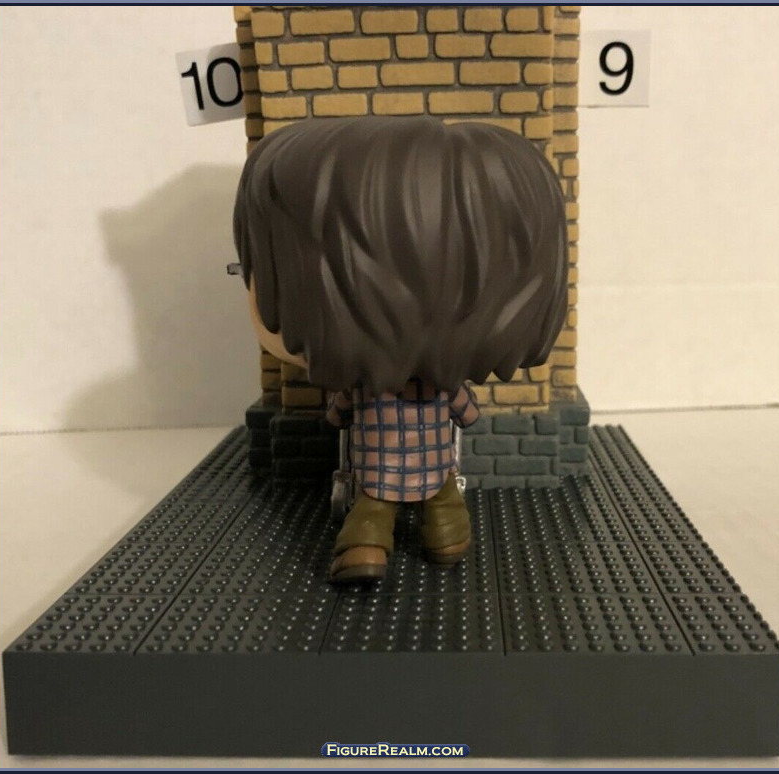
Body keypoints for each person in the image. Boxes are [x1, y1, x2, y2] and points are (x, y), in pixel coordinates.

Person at [233, 115, 568, 583]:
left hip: (376, 471)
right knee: (444, 501)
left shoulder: (364, 390)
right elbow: (466, 413)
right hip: (436, 466)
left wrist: (335, 415)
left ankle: (366, 547)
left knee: (372, 510)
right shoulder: (441, 388)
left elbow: (339, 414)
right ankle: (446, 538)